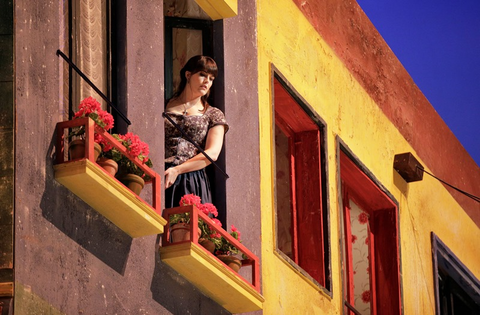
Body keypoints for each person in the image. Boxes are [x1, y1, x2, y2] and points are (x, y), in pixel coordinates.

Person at [164, 55, 228, 208]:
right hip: (161, 173)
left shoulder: (213, 114)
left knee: (184, 227)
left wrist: (177, 170)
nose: (207, 81)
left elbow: (212, 153)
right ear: (188, 75)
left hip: (191, 178)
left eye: (211, 78)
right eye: (202, 75)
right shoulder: (163, 105)